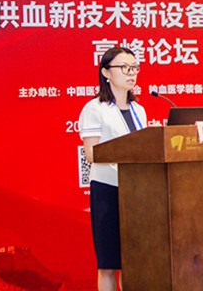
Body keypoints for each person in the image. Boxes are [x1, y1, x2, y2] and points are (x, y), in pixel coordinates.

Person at [78, 47, 146, 291]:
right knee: (108, 264)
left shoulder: (139, 110)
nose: (131, 73)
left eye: (134, 67)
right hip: (107, 190)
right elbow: (91, 153)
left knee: (132, 262)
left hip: (136, 192)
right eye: (124, 68)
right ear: (106, 72)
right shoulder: (94, 108)